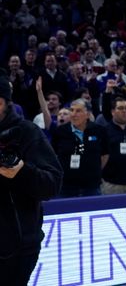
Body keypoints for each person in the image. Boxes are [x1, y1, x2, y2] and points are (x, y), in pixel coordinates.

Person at [0, 70, 62, 285]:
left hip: (18, 247)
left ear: (5, 102)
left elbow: (52, 183)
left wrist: (22, 172)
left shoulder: (28, 132)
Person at [50, 98, 108, 197]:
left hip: (91, 187)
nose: (73, 114)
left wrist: (92, 171)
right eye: (72, 110)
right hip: (65, 187)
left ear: (88, 114)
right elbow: (53, 155)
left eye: (78, 111)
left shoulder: (99, 131)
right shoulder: (60, 131)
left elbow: (105, 155)